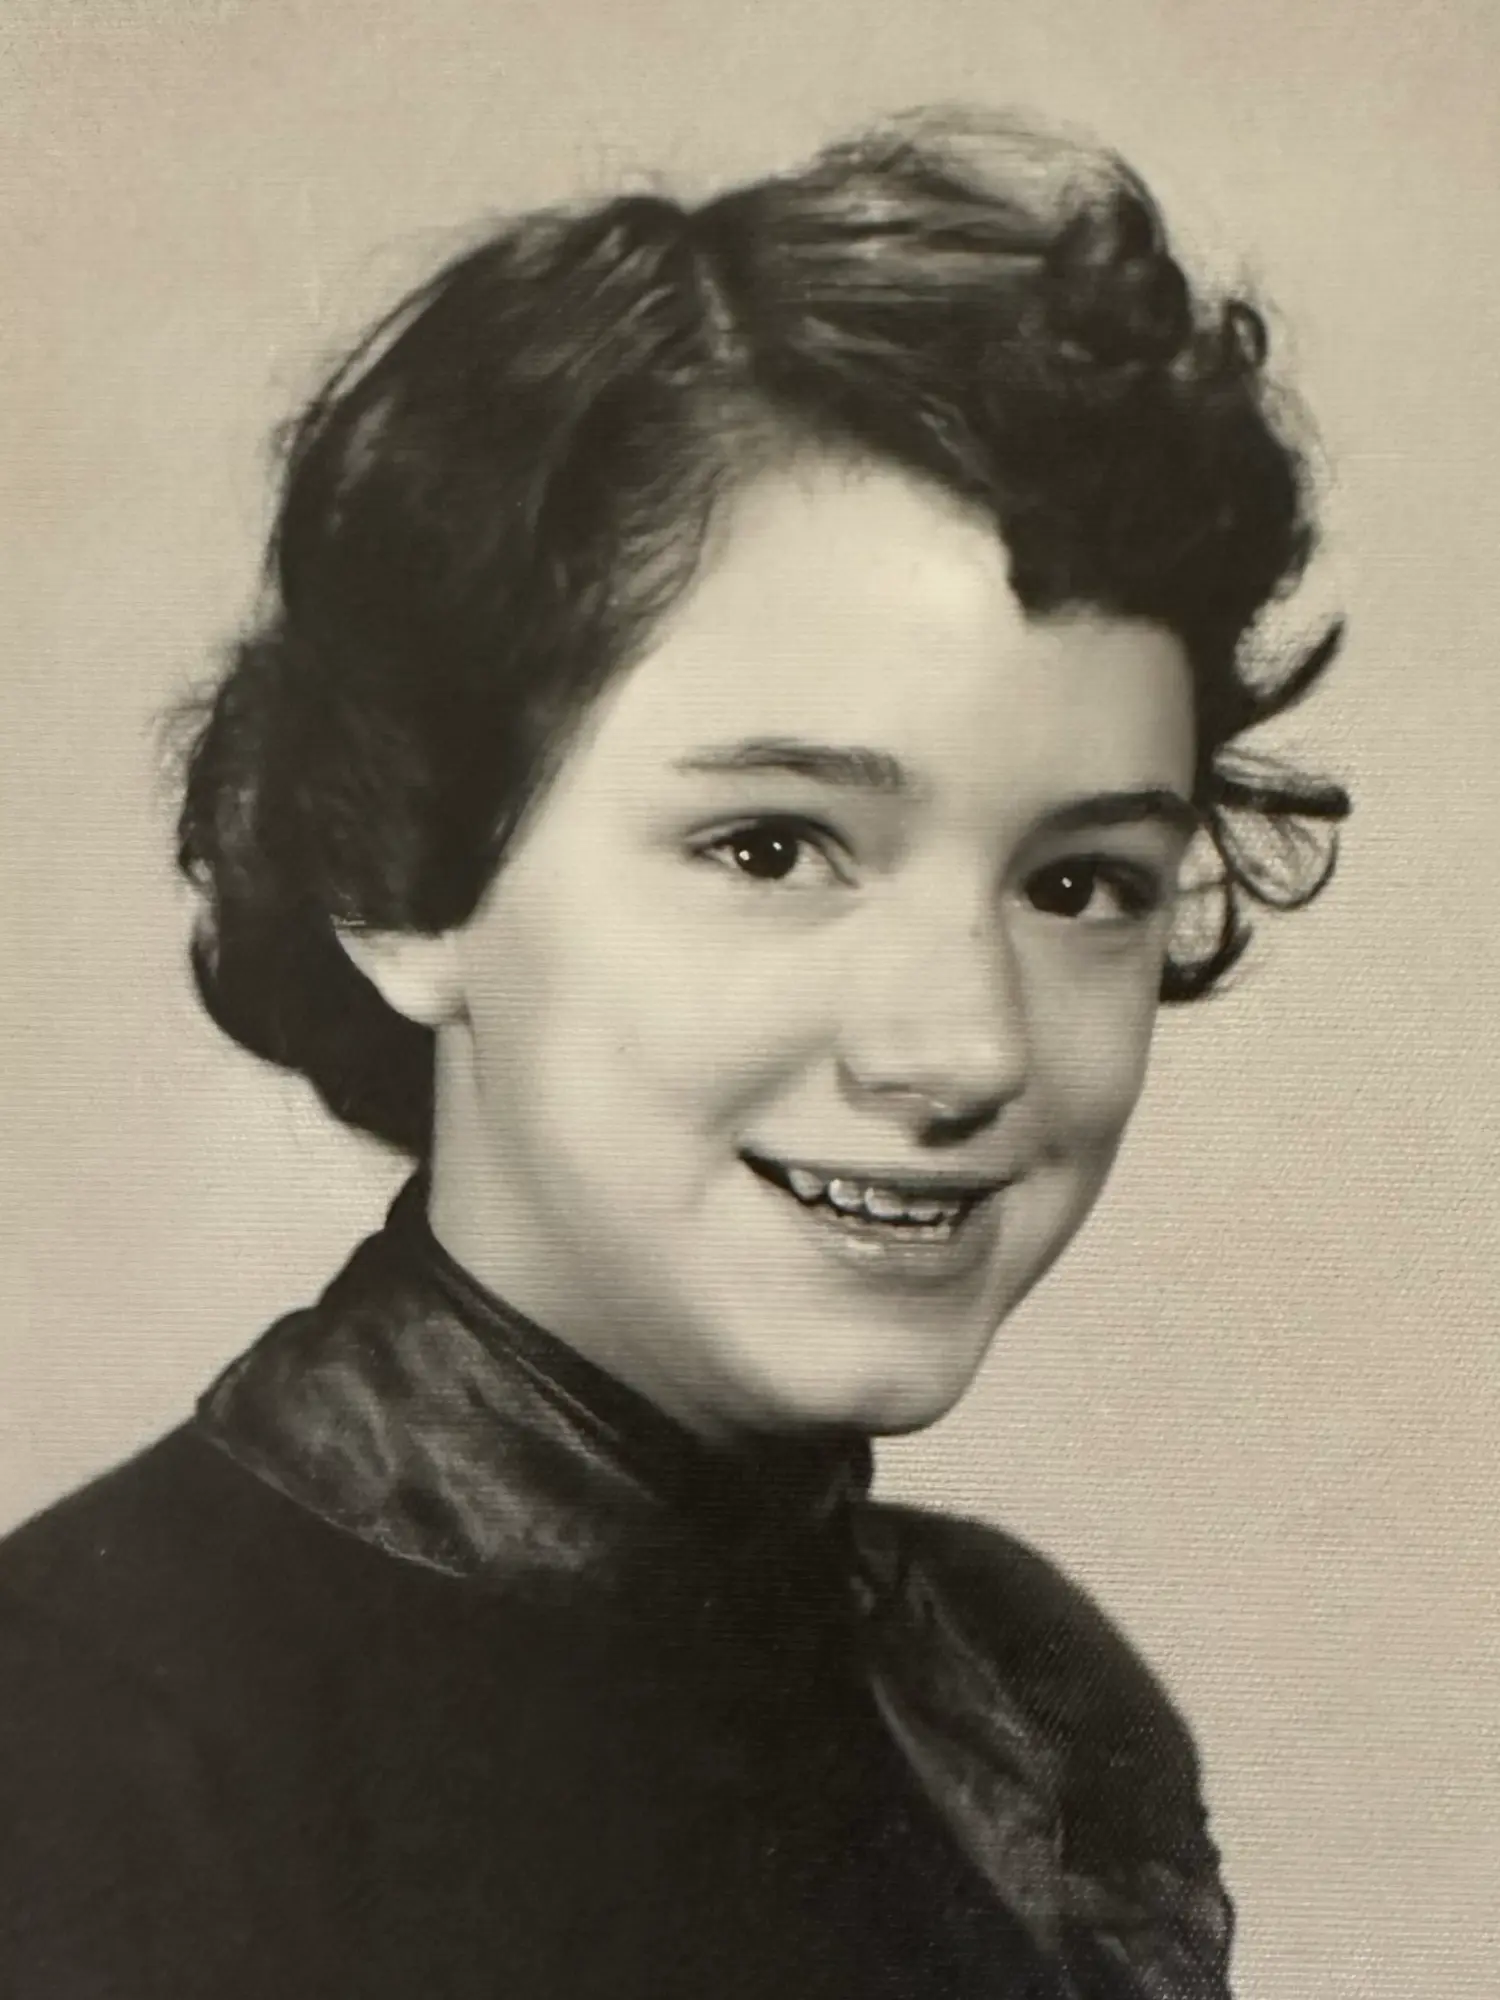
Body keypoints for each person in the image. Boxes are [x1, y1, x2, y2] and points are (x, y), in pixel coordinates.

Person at [0, 108, 1348, 1998]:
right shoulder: (87, 1744)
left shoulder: (1034, 1697)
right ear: (404, 879)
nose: (962, 1046)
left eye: (1081, 880)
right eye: (774, 848)